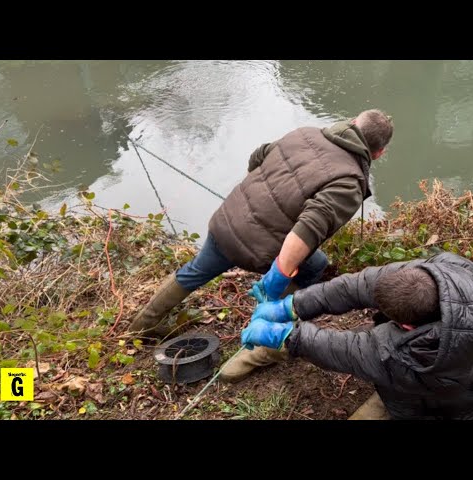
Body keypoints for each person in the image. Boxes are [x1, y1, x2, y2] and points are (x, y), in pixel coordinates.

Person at [128, 109, 394, 382]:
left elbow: (258, 156)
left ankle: (142, 325)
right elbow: (306, 232)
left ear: (351, 123)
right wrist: (278, 277)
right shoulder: (349, 181)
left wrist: (256, 201)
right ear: (378, 153)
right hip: (260, 247)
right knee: (314, 267)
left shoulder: (305, 133)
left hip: (228, 218)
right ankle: (267, 348)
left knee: (195, 270)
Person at [241, 252, 473, 420]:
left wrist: (288, 336)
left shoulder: (421, 356)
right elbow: (356, 286)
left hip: (462, 400)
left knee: (398, 385)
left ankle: (402, 407)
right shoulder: (440, 271)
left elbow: (349, 351)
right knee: (385, 354)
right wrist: (294, 305)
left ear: (408, 328)